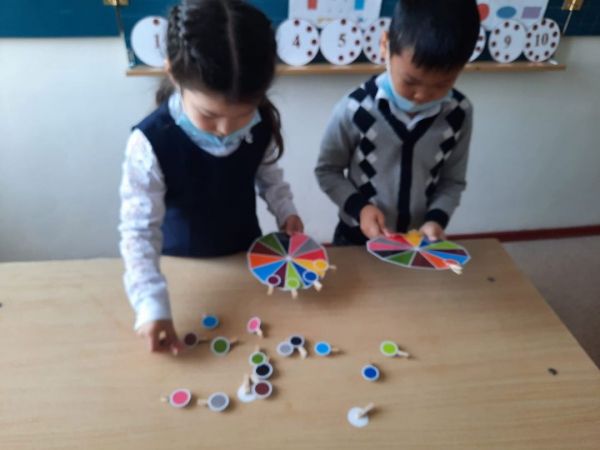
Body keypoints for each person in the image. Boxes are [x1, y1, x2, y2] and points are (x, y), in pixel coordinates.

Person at [119, 0, 303, 352]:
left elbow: (268, 173)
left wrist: (286, 210)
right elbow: (138, 231)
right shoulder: (149, 143)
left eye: (242, 115)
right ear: (173, 74)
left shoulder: (260, 125)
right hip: (180, 269)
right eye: (209, 115)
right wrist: (150, 303)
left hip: (245, 260)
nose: (225, 129)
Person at [315, 0, 479, 245]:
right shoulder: (355, 109)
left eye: (442, 84)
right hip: (356, 237)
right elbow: (327, 170)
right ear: (385, 45)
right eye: (410, 82)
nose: (422, 95)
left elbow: (452, 181)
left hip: (417, 241)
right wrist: (360, 208)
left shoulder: (459, 114)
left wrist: (436, 219)